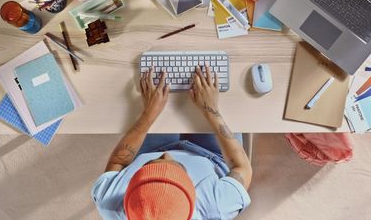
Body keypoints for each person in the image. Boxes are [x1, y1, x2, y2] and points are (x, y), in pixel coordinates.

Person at [91, 66, 253, 220]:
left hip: (150, 149)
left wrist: (148, 114)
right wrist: (210, 109)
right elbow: (242, 167)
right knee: (232, 100)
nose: (167, 155)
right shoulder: (217, 207)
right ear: (193, 197)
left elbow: (118, 161)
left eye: (151, 166)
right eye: (178, 167)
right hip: (212, 157)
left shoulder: (110, 202)